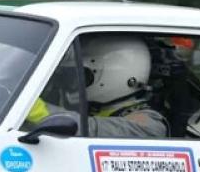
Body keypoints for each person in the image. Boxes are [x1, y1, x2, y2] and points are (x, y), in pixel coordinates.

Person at [26, 35, 167, 138]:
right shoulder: (94, 108)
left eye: (82, 76)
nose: (74, 82)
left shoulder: (149, 125)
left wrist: (28, 105)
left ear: (116, 74)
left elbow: (89, 128)